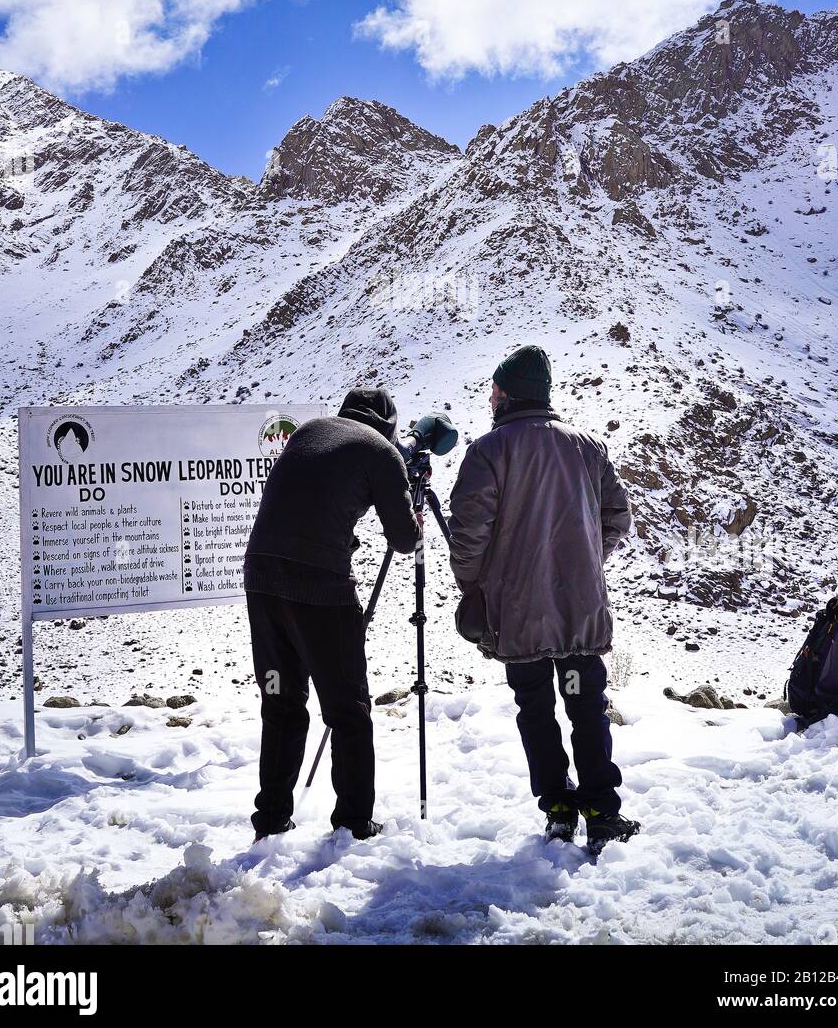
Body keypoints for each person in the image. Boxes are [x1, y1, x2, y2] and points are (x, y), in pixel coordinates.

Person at [448, 344, 639, 853]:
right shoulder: (587, 446)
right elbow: (617, 519)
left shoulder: (489, 451)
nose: (489, 399)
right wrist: (582, 562)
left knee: (534, 708)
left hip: (518, 611)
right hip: (579, 608)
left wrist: (474, 585)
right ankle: (601, 811)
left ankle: (557, 809)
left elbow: (469, 533)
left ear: (507, 394)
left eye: (493, 390)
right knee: (586, 706)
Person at [243, 387, 419, 841]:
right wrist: (409, 494)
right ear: (390, 428)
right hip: (320, 588)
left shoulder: (310, 431)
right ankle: (354, 822)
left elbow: (305, 505)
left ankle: (271, 818)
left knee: (281, 703)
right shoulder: (381, 452)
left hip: (262, 578)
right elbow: (404, 539)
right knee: (348, 709)